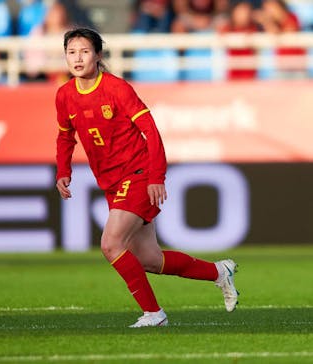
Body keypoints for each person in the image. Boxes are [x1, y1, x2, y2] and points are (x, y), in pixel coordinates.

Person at [54, 27, 239, 328]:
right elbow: (65, 137)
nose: (77, 58)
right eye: (71, 52)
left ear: (98, 55)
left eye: (84, 51)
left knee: (111, 244)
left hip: (137, 173)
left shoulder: (116, 89)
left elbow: (150, 131)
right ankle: (219, 272)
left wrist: (156, 176)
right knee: (150, 260)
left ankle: (154, 314)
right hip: (112, 182)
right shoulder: (64, 96)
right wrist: (63, 170)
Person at [218, 1, 259, 80]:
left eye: (246, 12)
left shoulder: (254, 28)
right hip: (233, 74)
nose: (244, 15)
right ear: (234, 13)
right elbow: (220, 34)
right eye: (241, 12)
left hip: (250, 75)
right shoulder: (228, 28)